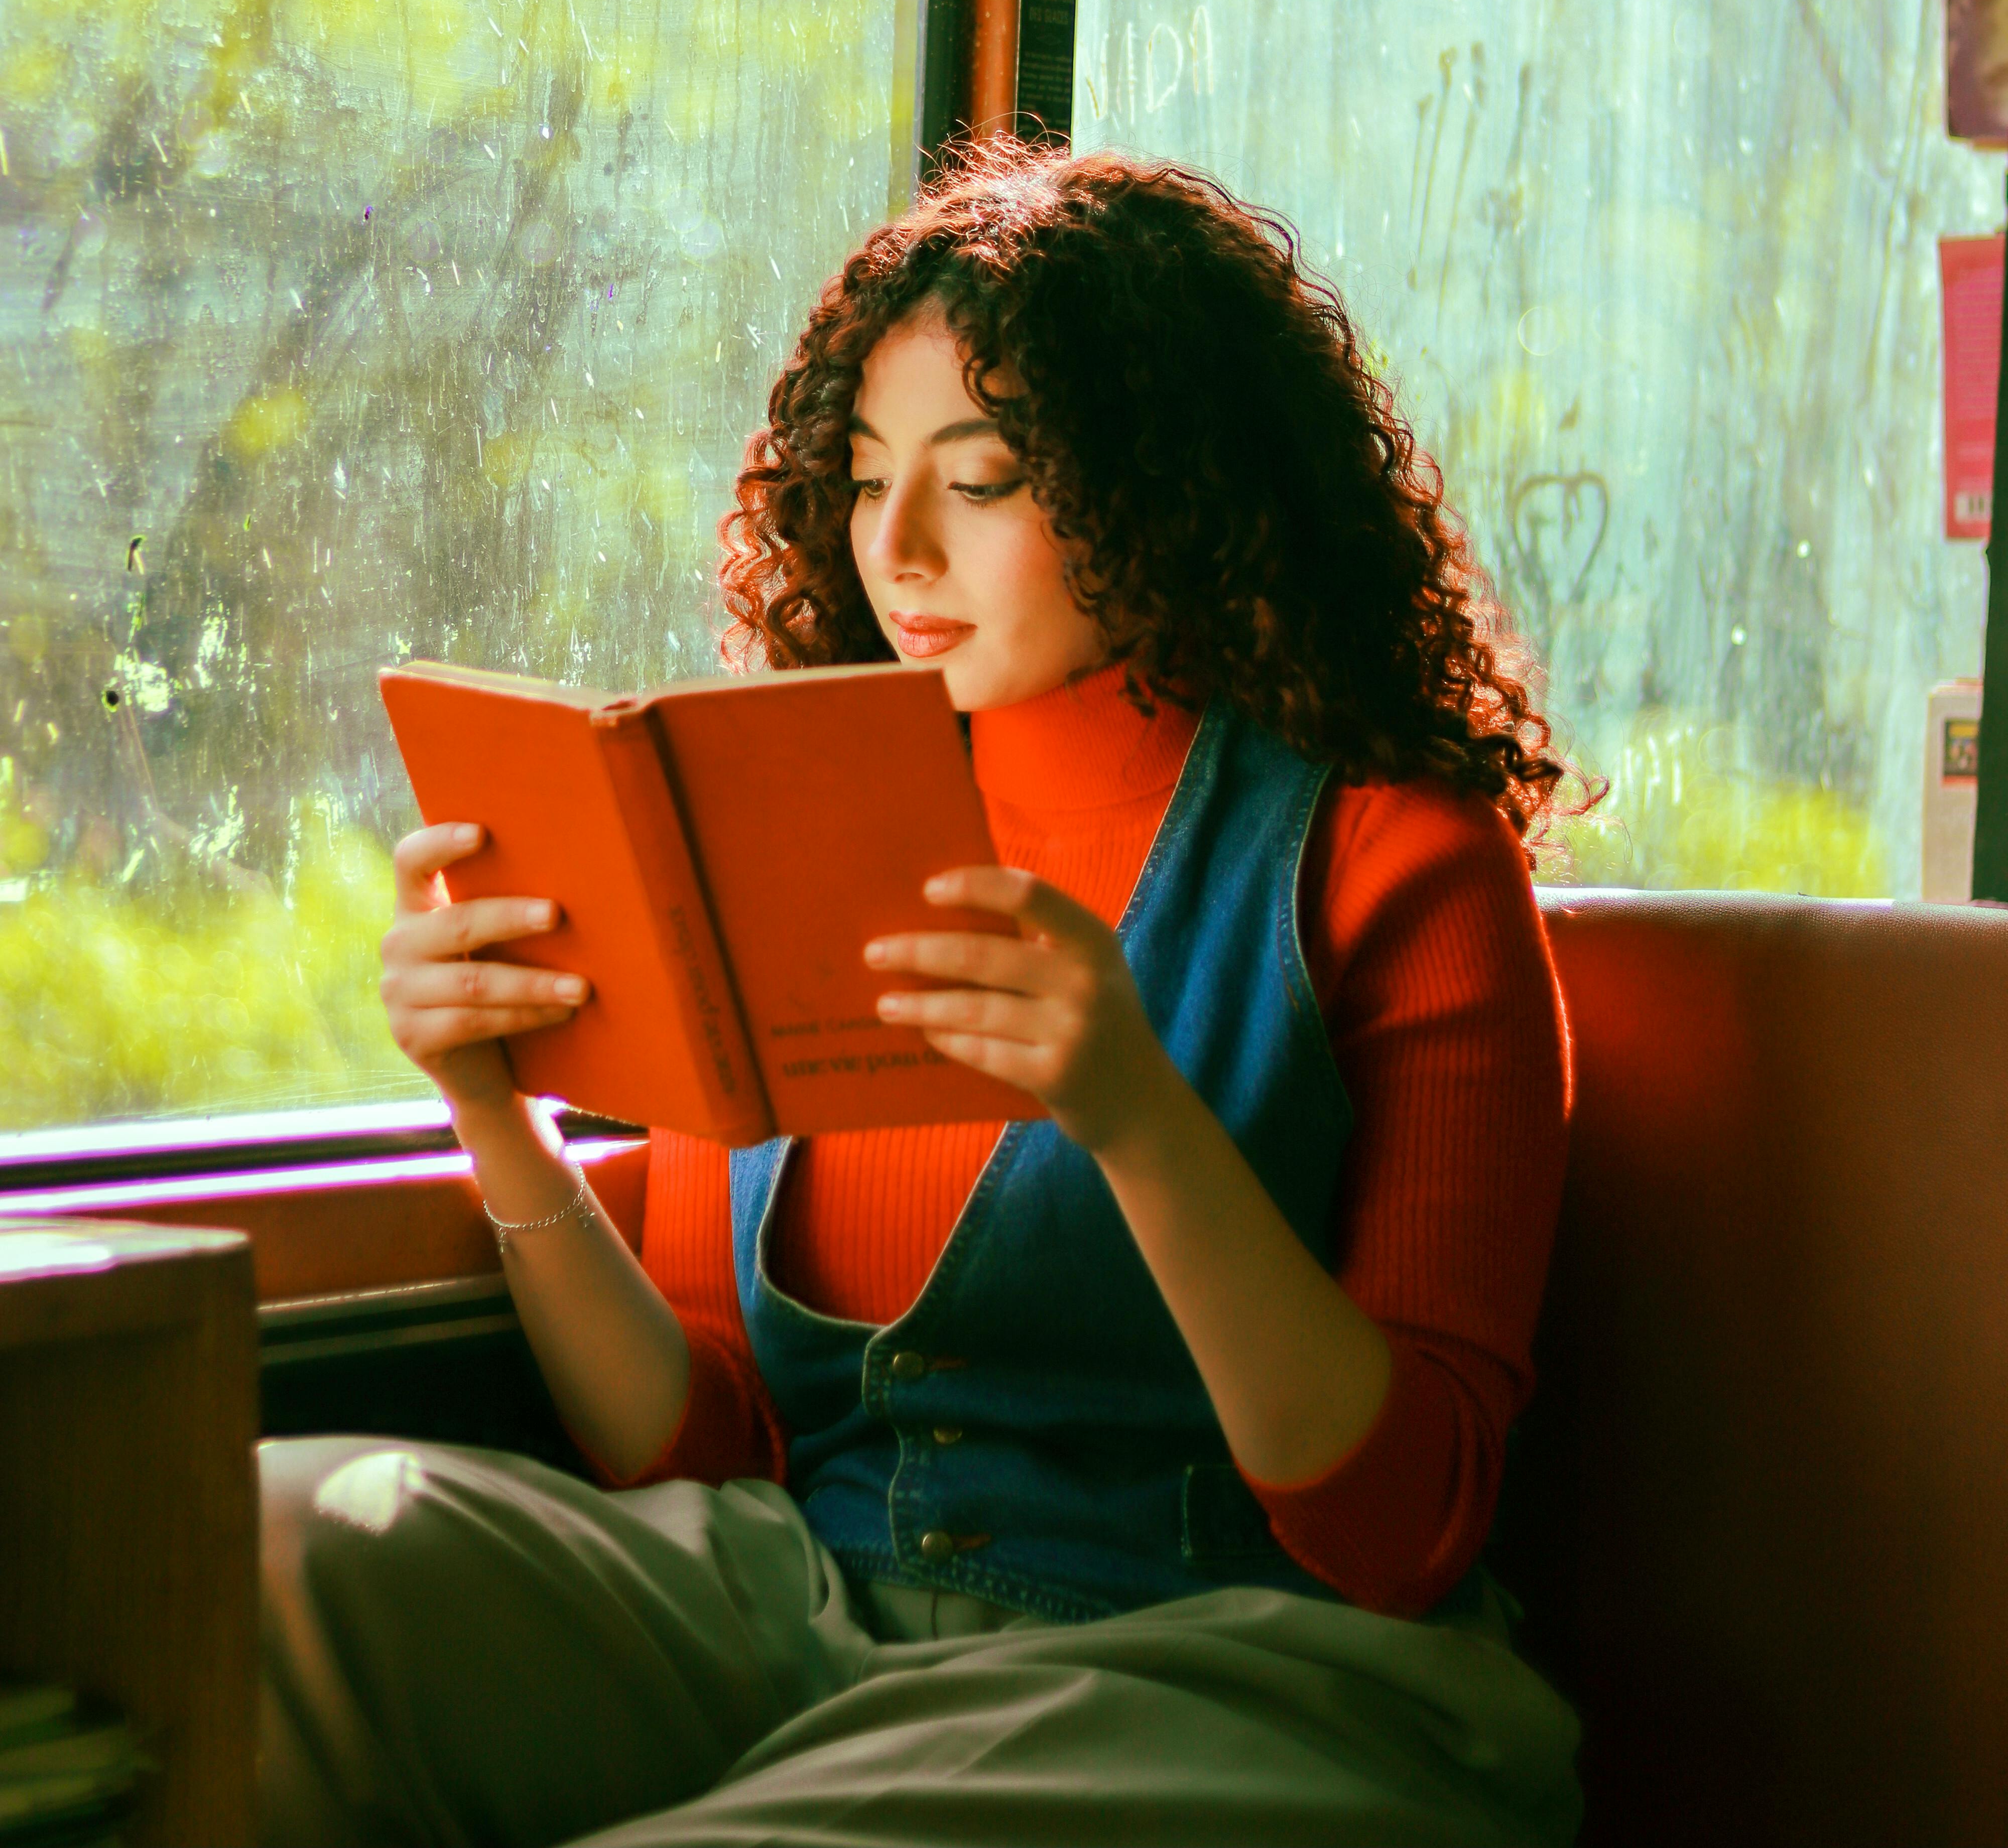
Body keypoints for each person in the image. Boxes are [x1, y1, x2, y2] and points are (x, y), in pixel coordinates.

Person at [260, 143, 1583, 1847]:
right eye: (867, 473)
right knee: (279, 1545)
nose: (894, 546)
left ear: (1171, 490)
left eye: (985, 482)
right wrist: (494, 1114)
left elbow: (1403, 1530)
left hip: (1223, 1669)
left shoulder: (1392, 862)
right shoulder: (775, 819)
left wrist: (1135, 1115)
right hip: (804, 1610)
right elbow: (698, 1451)